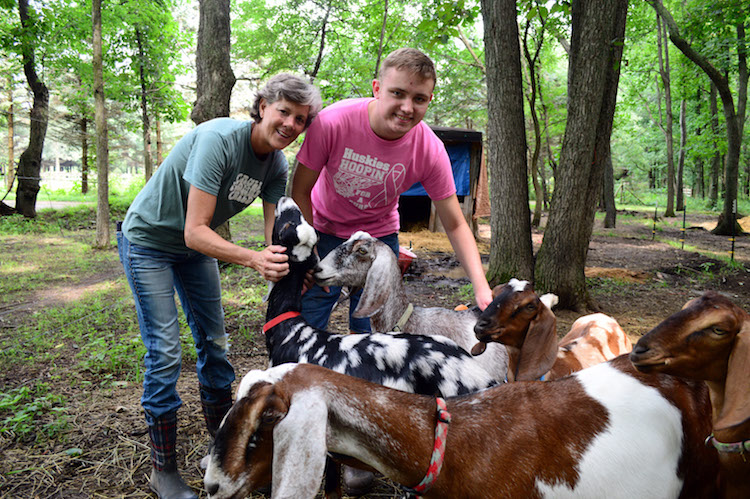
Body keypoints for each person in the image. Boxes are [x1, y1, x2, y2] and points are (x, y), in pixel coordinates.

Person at [117, 74, 321, 499]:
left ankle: (221, 449)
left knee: (214, 343)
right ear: (263, 105)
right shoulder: (218, 141)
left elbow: (274, 237)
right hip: (150, 242)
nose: (290, 124)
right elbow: (195, 231)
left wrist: (288, 270)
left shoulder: (277, 166)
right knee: (167, 351)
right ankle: (164, 470)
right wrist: (252, 259)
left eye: (300, 119)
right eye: (283, 111)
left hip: (194, 251)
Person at [292, 47, 492, 337]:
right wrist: (309, 249)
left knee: (375, 333)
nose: (407, 107)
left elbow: (455, 222)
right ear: (377, 89)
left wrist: (480, 286)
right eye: (397, 93)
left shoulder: (430, 150)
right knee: (309, 318)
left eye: (419, 99)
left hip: (379, 238)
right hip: (324, 231)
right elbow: (300, 189)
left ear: (429, 100)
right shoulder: (333, 121)